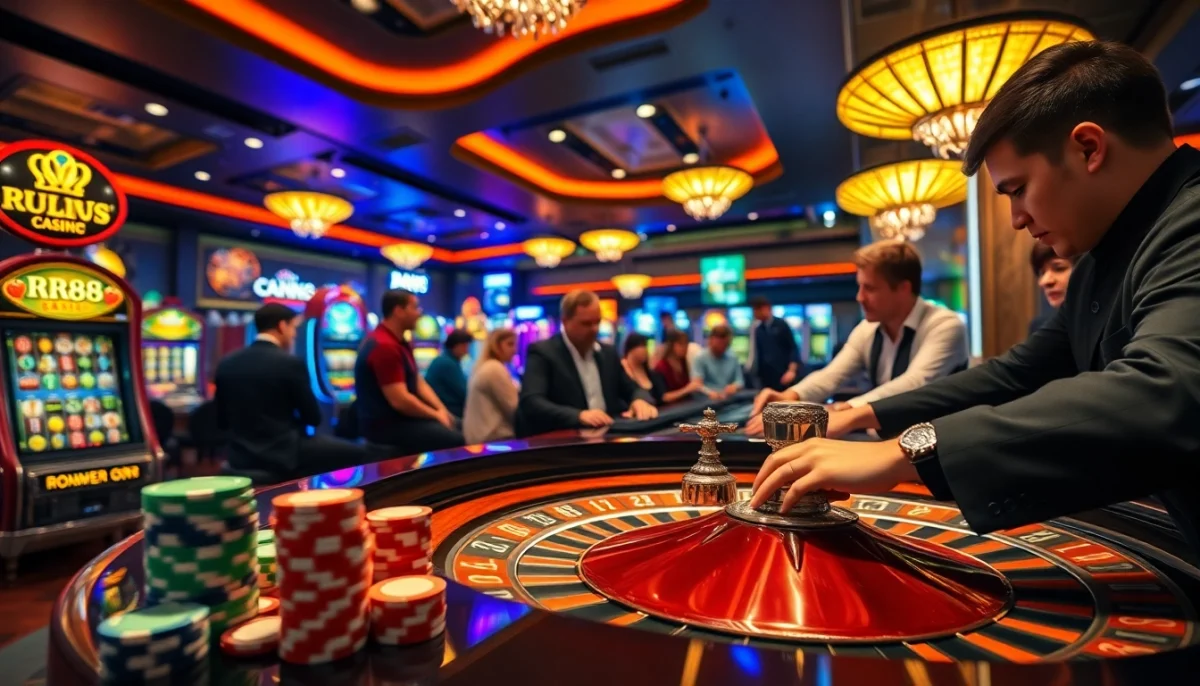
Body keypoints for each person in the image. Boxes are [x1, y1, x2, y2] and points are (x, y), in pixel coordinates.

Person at [749, 41, 1200, 556]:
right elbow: (1017, 375)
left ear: (1089, 148)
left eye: (1017, 188)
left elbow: (1169, 392)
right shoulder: (1102, 260)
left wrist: (905, 452)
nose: (1016, 219)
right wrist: (858, 416)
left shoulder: (1189, 223)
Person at [745, 242, 968, 434]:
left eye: (869, 288)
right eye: (859, 287)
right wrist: (790, 396)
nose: (859, 297)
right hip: (888, 441)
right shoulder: (867, 329)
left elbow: (915, 383)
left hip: (944, 449)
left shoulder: (945, 325)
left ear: (903, 288)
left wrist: (846, 410)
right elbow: (831, 375)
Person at [215, 303, 366, 479]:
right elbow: (313, 418)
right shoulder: (289, 363)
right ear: (282, 326)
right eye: (293, 328)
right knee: (361, 453)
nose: (294, 335)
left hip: (239, 457)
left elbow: (222, 421)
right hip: (285, 454)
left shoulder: (227, 363)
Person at [516, 290, 658, 434]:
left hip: (607, 435)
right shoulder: (544, 352)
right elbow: (532, 402)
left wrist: (639, 400)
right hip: (565, 442)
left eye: (597, 322)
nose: (594, 329)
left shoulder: (607, 353)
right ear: (565, 321)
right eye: (586, 324)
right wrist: (579, 415)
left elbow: (633, 389)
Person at [355, 289, 465, 453]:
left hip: (402, 419)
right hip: (385, 426)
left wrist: (442, 410)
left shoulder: (399, 341)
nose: (420, 313)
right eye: (415, 308)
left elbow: (418, 381)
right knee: (457, 439)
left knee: (464, 426)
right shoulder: (385, 346)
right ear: (399, 311)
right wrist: (435, 415)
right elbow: (400, 401)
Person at [462, 328, 520, 444]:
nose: (514, 350)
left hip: (481, 439)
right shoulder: (494, 369)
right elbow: (515, 409)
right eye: (510, 344)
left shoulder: (485, 366)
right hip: (493, 441)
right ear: (496, 346)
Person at [746, 296, 800, 392]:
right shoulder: (758, 330)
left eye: (755, 310)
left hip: (784, 376)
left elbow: (793, 348)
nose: (754, 314)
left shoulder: (781, 324)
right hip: (766, 380)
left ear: (765, 308)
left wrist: (791, 371)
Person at [1028, 242, 1076, 335]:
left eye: (1059, 268)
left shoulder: (1108, 325)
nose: (1045, 281)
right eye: (1041, 273)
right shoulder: (1039, 327)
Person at [424, 329, 473, 419]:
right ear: (456, 346)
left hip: (443, 409)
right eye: (465, 346)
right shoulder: (447, 363)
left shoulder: (444, 360)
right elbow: (465, 393)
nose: (467, 351)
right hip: (449, 411)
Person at [692, 324, 745, 400]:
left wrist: (735, 386)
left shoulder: (733, 357)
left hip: (728, 399)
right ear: (710, 340)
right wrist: (710, 392)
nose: (722, 347)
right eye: (719, 344)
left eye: (725, 345)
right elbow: (697, 384)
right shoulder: (700, 357)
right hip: (707, 401)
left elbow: (740, 381)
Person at [654, 329, 705, 404]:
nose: (685, 347)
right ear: (671, 345)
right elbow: (664, 397)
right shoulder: (660, 367)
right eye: (681, 344)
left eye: (686, 344)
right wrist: (687, 389)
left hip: (686, 407)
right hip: (671, 411)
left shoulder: (684, 362)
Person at [621, 333, 667, 405]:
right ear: (631, 349)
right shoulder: (622, 371)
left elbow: (662, 397)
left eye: (646, 346)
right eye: (642, 346)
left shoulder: (652, 374)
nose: (645, 350)